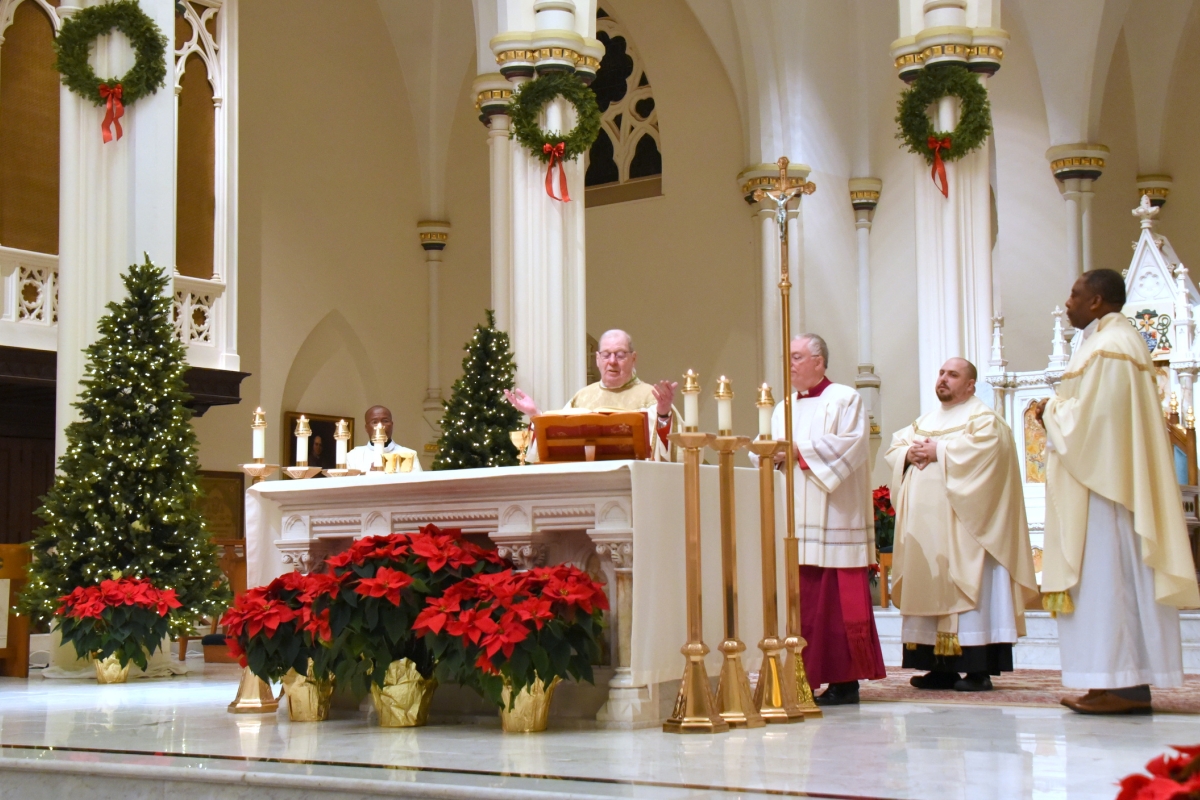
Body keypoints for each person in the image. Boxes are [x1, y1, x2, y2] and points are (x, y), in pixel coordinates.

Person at [1036, 268, 1199, 714]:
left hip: (1108, 490)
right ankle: (1108, 680)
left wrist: (1051, 410)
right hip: (1102, 481)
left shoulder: (1111, 348)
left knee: (1112, 584)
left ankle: (1124, 684)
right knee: (1102, 586)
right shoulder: (1107, 342)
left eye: (1075, 294)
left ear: (1097, 301)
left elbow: (1095, 422)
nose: (1067, 302)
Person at [885, 358, 1038, 692]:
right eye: (941, 373)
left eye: (953, 375)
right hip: (925, 532)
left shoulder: (983, 419)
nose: (943, 379)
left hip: (967, 529)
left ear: (970, 385)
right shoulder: (924, 421)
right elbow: (896, 448)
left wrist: (940, 450)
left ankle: (978, 668)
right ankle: (938, 668)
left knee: (969, 588)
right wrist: (907, 456)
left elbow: (989, 454)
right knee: (930, 584)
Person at [750, 333, 885, 705]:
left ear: (819, 362)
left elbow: (852, 447)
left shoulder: (845, 398)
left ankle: (844, 680)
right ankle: (801, 677)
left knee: (835, 600)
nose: (790, 364)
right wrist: (767, 455)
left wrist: (796, 451)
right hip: (791, 516)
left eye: (797, 357)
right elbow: (768, 451)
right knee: (802, 601)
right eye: (788, 357)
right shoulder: (781, 408)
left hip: (834, 516)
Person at [504, 329, 679, 461]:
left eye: (620, 355)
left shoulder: (650, 396)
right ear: (597, 359)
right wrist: (536, 415)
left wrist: (663, 415)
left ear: (633, 358)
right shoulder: (583, 397)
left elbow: (669, 453)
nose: (612, 362)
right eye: (606, 355)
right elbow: (557, 439)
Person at [346, 405, 422, 474]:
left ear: (392, 425)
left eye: (385, 421)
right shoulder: (354, 456)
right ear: (366, 428)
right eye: (374, 422)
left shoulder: (408, 454)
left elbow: (418, 485)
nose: (380, 426)